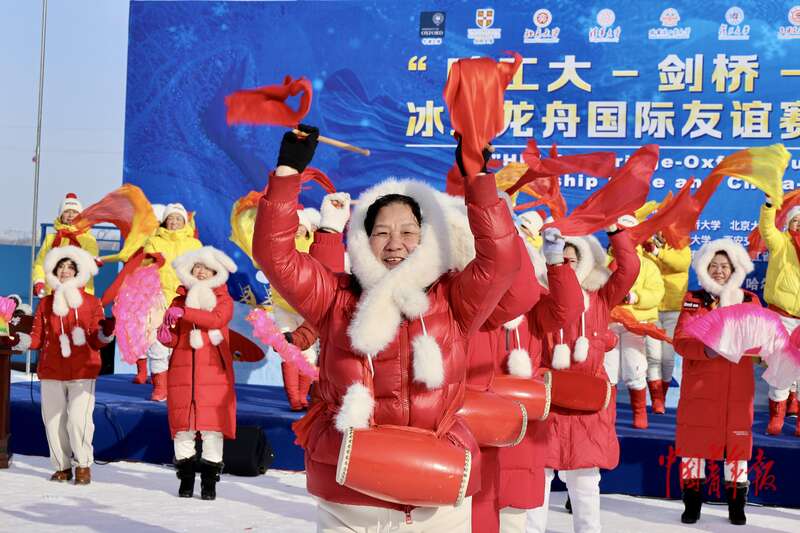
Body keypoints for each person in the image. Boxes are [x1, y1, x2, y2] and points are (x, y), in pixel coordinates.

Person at [253, 125, 520, 531]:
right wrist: (288, 172)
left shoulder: (453, 300)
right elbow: (276, 256)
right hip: (350, 500)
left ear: (428, 239)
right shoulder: (335, 297)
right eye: (381, 232)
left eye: (408, 232)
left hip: (436, 496)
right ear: (363, 240)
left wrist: (479, 181)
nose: (395, 244)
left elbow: (501, 259)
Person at [527, 226, 639, 533]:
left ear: (587, 261)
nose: (566, 265)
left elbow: (630, 268)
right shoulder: (541, 297)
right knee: (538, 475)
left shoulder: (601, 297)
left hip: (589, 401)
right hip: (548, 397)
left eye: (572, 260)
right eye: (560, 259)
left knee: (586, 480)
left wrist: (616, 231)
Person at [6, 246, 114, 484]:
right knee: (53, 421)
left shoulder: (92, 302)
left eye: (70, 267)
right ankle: (62, 467)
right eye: (61, 266)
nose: (65, 271)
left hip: (83, 371)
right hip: (52, 370)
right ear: (54, 271)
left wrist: (105, 333)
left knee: (78, 420)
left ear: (78, 271)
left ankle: (83, 465)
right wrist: (18, 340)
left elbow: (96, 339)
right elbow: (37, 338)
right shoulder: (45, 303)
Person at [672, 239, 758, 526]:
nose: (719, 271)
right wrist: (707, 349)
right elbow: (681, 341)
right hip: (700, 388)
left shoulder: (748, 300)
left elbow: (761, 338)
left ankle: (737, 506)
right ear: (704, 268)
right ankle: (692, 504)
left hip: (737, 389)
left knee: (736, 448)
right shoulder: (694, 299)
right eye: (714, 266)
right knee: (693, 447)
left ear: (735, 269)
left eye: (725, 266)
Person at [156, 246, 237, 500]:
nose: (201, 272)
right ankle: (186, 481)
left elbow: (216, 320)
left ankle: (209, 484)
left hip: (214, 374)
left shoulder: (223, 300)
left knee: (212, 430)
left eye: (207, 268)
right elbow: (174, 338)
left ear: (216, 272)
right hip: (182, 374)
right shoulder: (179, 300)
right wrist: (165, 335)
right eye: (197, 267)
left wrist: (185, 312)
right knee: (183, 429)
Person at [604, 215, 665, 429]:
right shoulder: (604, 262)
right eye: (621, 233)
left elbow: (656, 293)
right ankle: (607, 415)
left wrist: (634, 297)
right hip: (608, 324)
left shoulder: (648, 265)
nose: (626, 238)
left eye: (631, 234)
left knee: (635, 367)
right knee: (608, 371)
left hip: (634, 325)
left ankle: (639, 412)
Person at [139, 203, 202, 399]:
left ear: (185, 222)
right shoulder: (153, 241)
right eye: (170, 218)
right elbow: (144, 265)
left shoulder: (194, 244)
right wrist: (151, 261)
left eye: (178, 218)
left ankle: (181, 387)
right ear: (165, 221)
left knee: (184, 343)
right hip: (157, 297)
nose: (174, 222)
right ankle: (160, 387)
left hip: (185, 298)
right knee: (157, 341)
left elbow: (201, 270)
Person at [759, 199, 800, 435]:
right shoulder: (781, 242)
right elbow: (766, 228)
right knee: (781, 368)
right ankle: (777, 418)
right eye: (796, 220)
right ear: (788, 223)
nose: (799, 224)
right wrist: (768, 206)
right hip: (783, 317)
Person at [642, 232, 691, 415]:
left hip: (673, 310)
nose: (663, 232)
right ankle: (656, 399)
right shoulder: (647, 244)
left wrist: (658, 252)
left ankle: (662, 395)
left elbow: (680, 264)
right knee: (653, 356)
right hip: (651, 309)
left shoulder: (682, 246)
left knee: (668, 357)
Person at [32, 193, 99, 297]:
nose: (71, 215)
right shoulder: (51, 238)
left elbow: (90, 266)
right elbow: (40, 264)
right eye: (67, 211)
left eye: (75, 212)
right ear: (61, 216)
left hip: (80, 294)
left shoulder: (88, 239)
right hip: (52, 293)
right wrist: (39, 281)